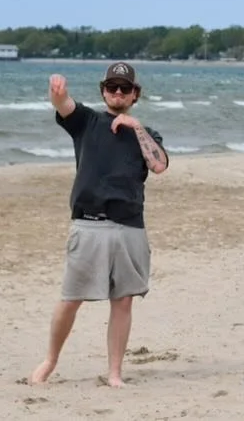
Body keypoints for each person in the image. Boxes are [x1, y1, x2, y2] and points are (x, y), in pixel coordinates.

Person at [30, 61, 169, 388]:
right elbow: (65, 106)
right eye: (111, 87)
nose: (117, 92)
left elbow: (159, 165)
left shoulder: (146, 134)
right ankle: (50, 360)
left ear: (135, 94)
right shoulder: (87, 122)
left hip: (129, 226)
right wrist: (57, 93)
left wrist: (136, 127)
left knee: (123, 301)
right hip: (89, 225)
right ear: (103, 91)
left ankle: (114, 373)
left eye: (124, 88)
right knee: (70, 298)